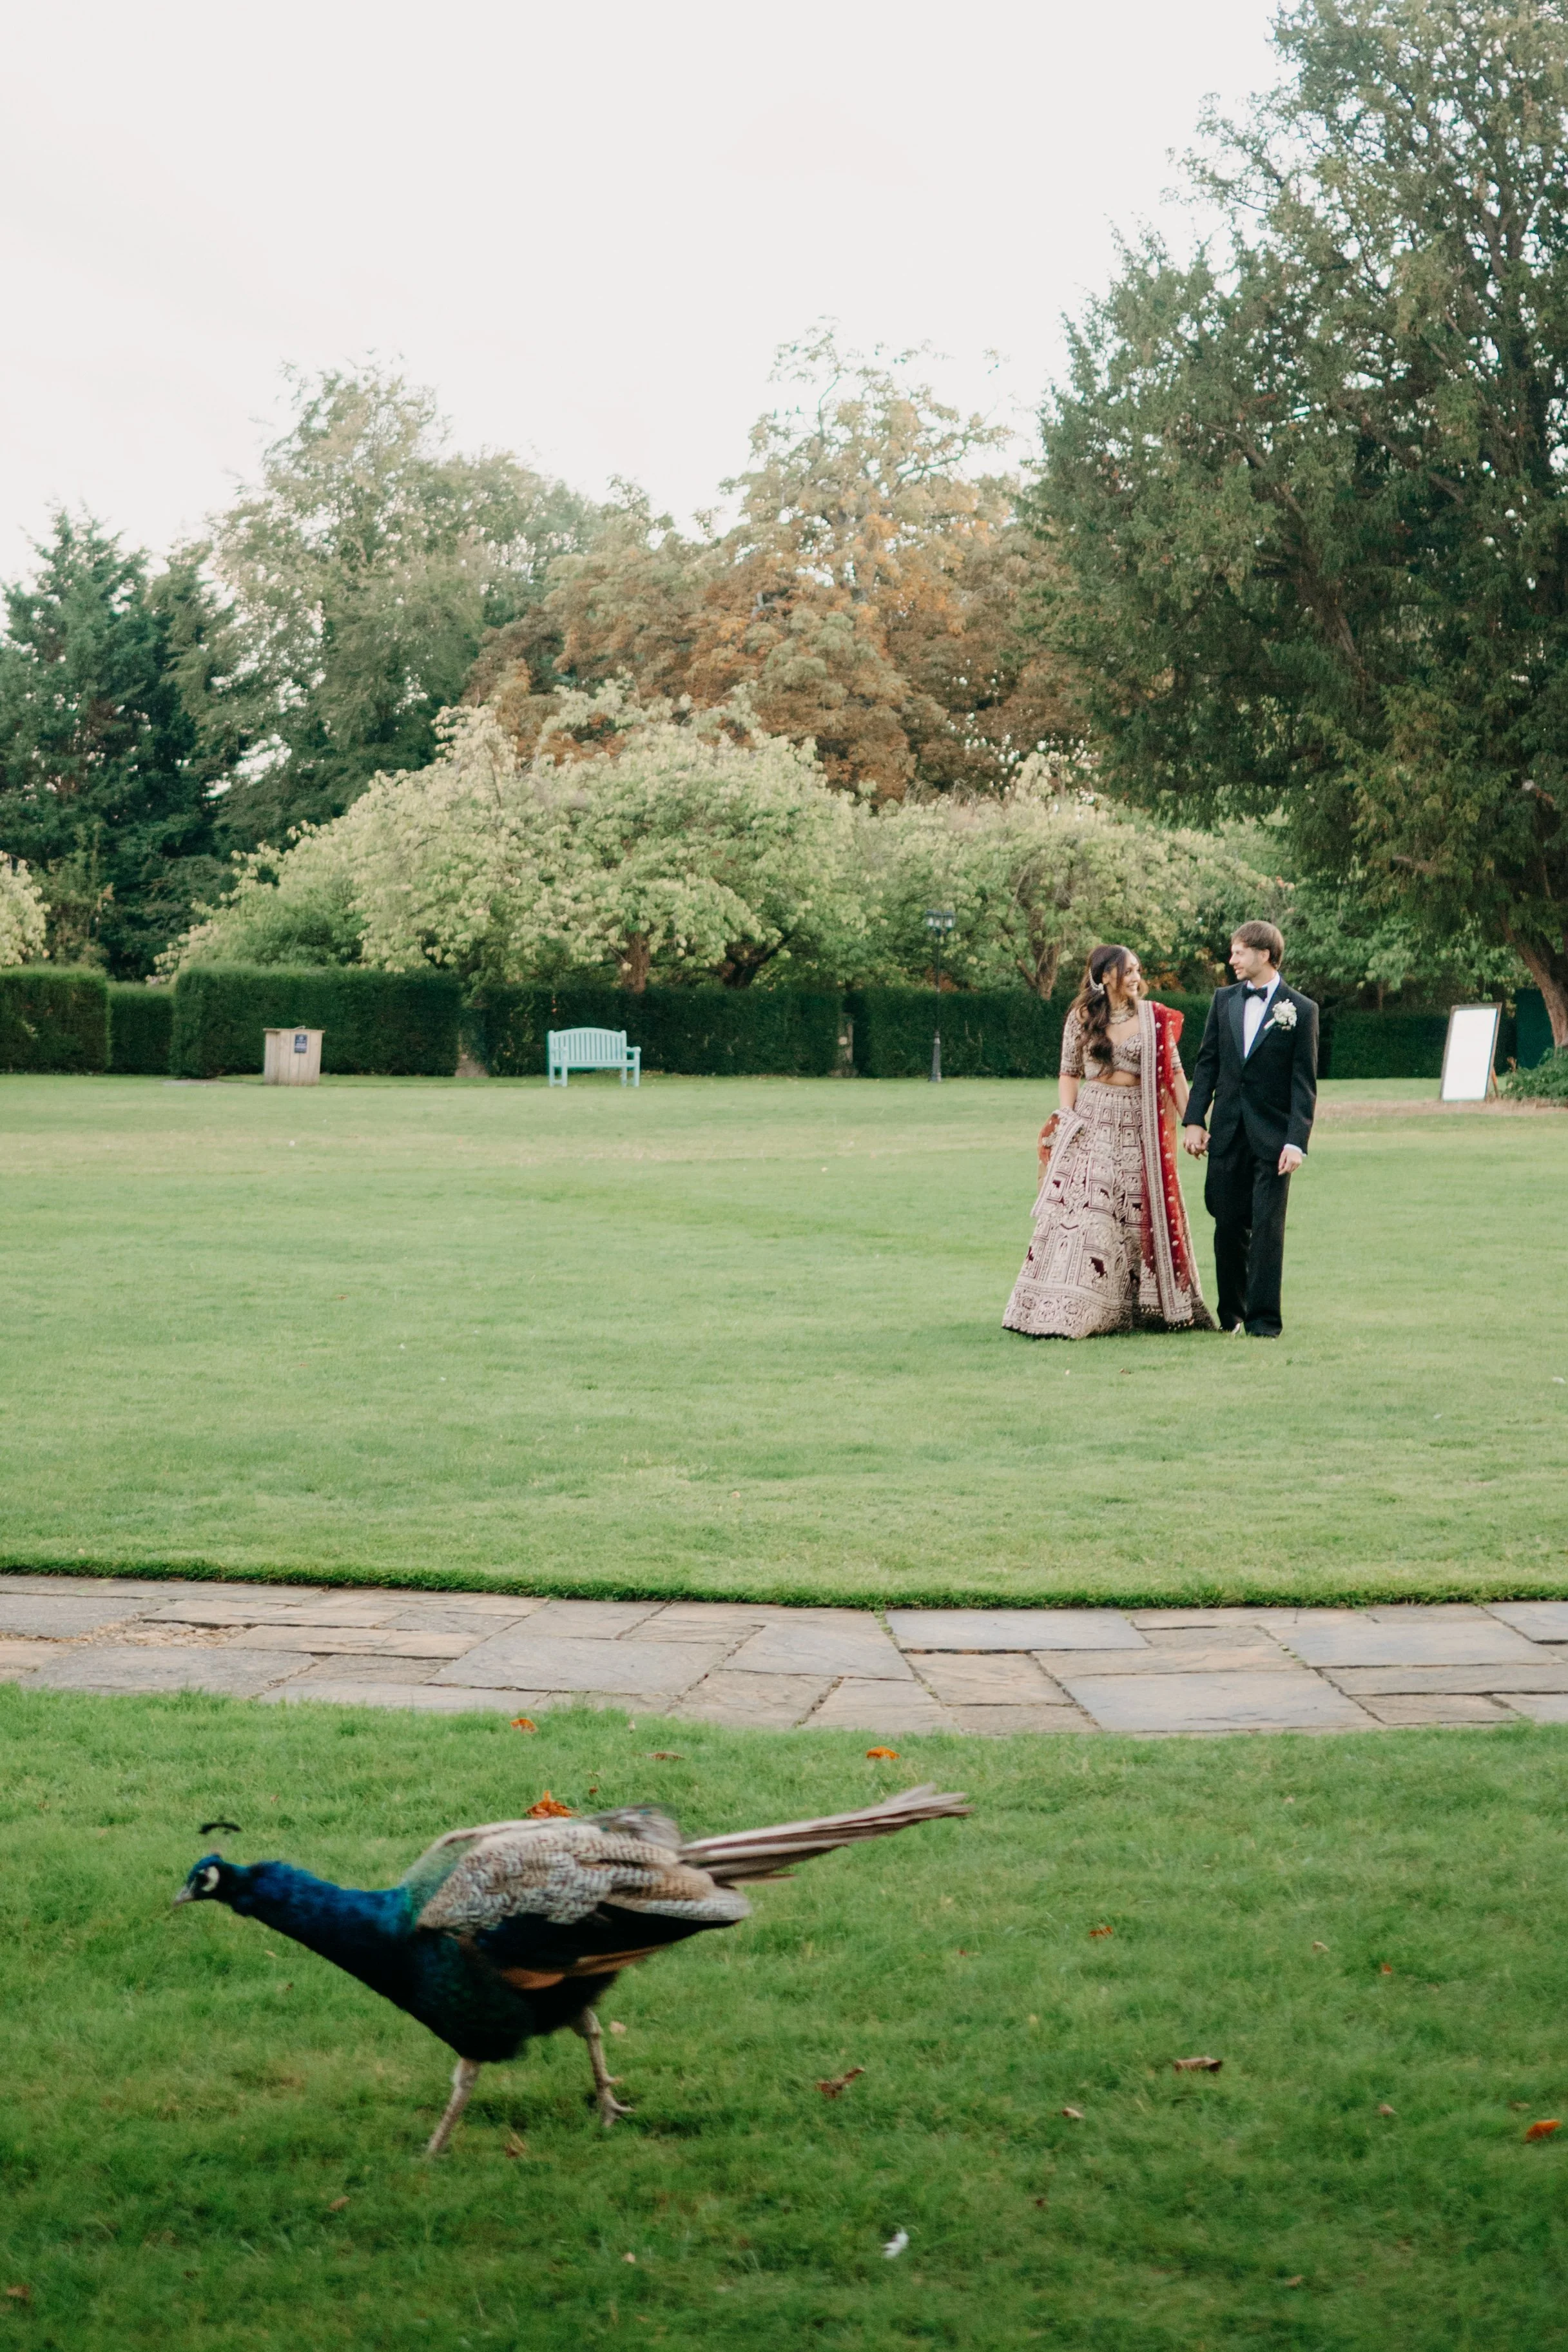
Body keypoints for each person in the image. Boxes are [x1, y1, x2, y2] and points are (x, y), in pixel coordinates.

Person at [1003, 944, 1214, 1339]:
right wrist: (1067, 1117)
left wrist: (1193, 1123)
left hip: (1140, 1125)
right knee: (1090, 1212)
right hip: (1093, 1121)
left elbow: (1176, 1074)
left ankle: (1137, 1307)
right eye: (1126, 971)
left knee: (1137, 1215)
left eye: (1137, 969)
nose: (1135, 977)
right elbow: (1069, 1071)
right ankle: (1073, 1308)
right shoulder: (1082, 1017)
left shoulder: (1154, 1019)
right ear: (1105, 977)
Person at [1180, 920, 1319, 1339]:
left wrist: (1296, 1141)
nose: (1232, 959)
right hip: (1226, 1132)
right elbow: (1207, 1064)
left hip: (1274, 1138)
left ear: (1264, 954)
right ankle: (1231, 1317)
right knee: (1227, 1224)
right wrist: (1192, 1120)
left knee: (1267, 1228)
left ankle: (1263, 1323)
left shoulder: (1301, 1010)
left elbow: (1303, 1083)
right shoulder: (1223, 1001)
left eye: (1238, 952)